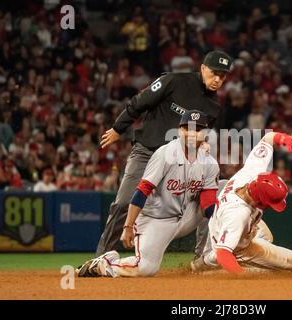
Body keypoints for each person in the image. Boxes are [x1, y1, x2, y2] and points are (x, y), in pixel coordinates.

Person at [96, 51, 232, 257]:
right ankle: (100, 257)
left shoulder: (213, 106)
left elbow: (199, 134)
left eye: (222, 76)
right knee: (124, 202)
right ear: (203, 68)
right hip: (147, 151)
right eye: (214, 73)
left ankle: (203, 259)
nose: (218, 79)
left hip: (177, 163)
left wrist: (203, 143)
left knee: (208, 195)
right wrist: (118, 128)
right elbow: (139, 102)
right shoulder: (173, 81)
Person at [76, 110, 219, 277]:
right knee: (145, 269)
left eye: (198, 129)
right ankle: (104, 263)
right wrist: (128, 226)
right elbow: (142, 190)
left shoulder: (209, 162)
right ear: (180, 130)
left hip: (185, 217)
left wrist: (227, 221)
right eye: (188, 128)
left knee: (224, 193)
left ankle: (209, 257)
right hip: (155, 219)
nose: (192, 133)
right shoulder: (165, 153)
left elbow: (208, 205)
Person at [190, 131, 292, 276]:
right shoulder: (238, 214)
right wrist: (241, 276)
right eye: (270, 203)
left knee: (267, 236)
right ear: (259, 200)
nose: (271, 207)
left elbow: (268, 138)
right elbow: (224, 254)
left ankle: (203, 263)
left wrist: (286, 140)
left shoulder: (252, 173)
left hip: (223, 224)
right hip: (236, 245)